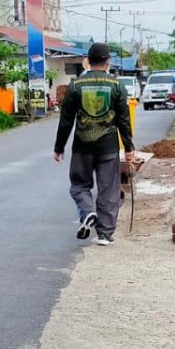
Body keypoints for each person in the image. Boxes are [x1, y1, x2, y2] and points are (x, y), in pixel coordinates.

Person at [53, 42, 135, 246]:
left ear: (87, 62)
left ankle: (88, 212)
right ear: (108, 62)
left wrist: (59, 147)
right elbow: (123, 120)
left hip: (82, 146)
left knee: (79, 185)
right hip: (108, 147)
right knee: (109, 189)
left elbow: (66, 120)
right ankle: (104, 234)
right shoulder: (117, 86)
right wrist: (129, 148)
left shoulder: (75, 85)